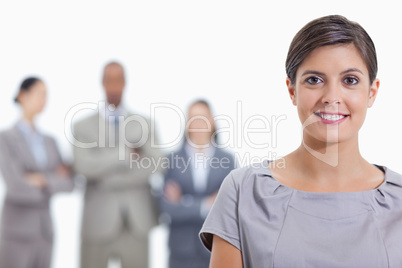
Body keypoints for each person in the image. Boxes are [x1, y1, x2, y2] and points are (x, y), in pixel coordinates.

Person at [199, 15, 402, 267]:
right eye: (314, 80)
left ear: (371, 92)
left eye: (350, 80)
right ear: (292, 90)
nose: (331, 97)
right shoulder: (243, 192)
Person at [73, 61, 163, 268]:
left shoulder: (146, 124)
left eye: (118, 80)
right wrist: (125, 154)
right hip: (97, 223)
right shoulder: (82, 126)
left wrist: (105, 174)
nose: (114, 86)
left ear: (125, 83)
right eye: (109, 80)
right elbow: (82, 166)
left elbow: (157, 163)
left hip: (137, 222)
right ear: (102, 83)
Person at [0, 77, 74, 268]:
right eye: (39, 94)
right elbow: (15, 186)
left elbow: (70, 183)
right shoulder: (6, 139)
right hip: (17, 232)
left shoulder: (50, 141)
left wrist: (41, 180)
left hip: (45, 231)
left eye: (46, 95)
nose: (43, 100)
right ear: (22, 96)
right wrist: (52, 180)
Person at [160, 99, 235, 268]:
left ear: (212, 122)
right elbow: (167, 207)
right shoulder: (172, 160)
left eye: (203, 118)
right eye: (193, 118)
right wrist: (206, 204)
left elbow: (230, 207)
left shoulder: (227, 160)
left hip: (216, 249)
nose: (198, 124)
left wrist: (183, 201)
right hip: (181, 251)